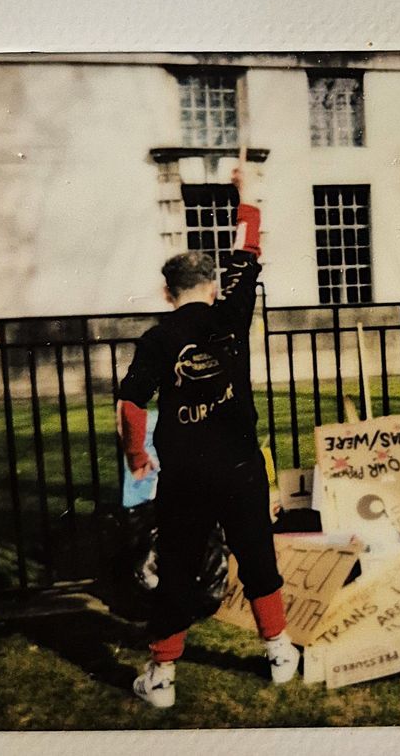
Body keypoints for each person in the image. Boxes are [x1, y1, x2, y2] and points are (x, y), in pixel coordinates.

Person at [115, 168, 298, 708]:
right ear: (213, 287)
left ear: (167, 292)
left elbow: (130, 404)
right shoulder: (232, 314)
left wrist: (137, 452)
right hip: (241, 465)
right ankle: (280, 653)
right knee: (257, 554)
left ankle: (163, 678)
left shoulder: (158, 336)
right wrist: (243, 194)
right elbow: (249, 245)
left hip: (187, 472)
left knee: (177, 566)